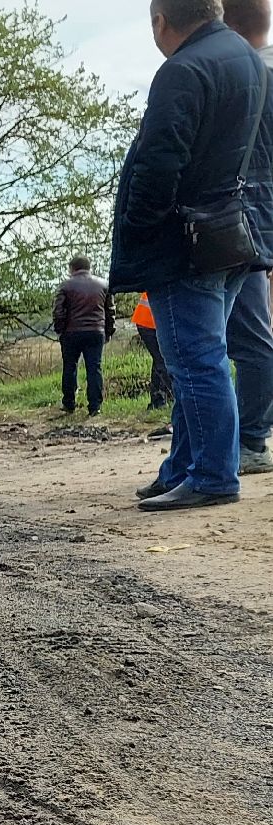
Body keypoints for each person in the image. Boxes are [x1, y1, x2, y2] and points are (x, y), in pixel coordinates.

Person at [112, 0, 270, 511]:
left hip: (185, 242)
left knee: (195, 362)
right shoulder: (246, 59)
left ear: (161, 21)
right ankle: (182, 467)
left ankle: (212, 476)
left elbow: (160, 161)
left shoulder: (182, 69)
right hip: (230, 233)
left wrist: (139, 230)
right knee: (197, 360)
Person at [223, 0, 273, 473]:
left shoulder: (242, 76)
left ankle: (252, 440)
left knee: (243, 334)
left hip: (237, 222)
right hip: (260, 221)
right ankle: (250, 437)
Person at [53, 255, 117, 416]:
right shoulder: (103, 285)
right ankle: (95, 407)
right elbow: (110, 311)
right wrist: (109, 331)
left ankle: (69, 404)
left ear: (72, 268)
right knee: (94, 368)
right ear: (89, 267)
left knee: (70, 367)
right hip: (96, 332)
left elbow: (58, 311)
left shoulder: (65, 286)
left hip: (71, 332)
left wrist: (60, 330)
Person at [134, 294, 176, 409]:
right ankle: (165, 398)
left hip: (145, 321)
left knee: (159, 360)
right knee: (162, 361)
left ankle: (158, 399)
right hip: (149, 323)